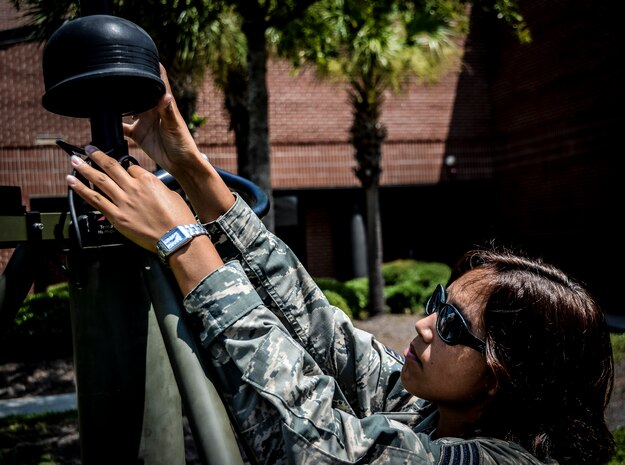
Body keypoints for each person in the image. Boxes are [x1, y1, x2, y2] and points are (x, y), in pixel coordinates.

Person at [65, 65, 616, 465]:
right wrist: (192, 169)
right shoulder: (437, 407)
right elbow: (321, 330)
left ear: (500, 378)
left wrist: (183, 243)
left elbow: (316, 441)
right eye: (436, 303)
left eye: (450, 326)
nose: (424, 326)